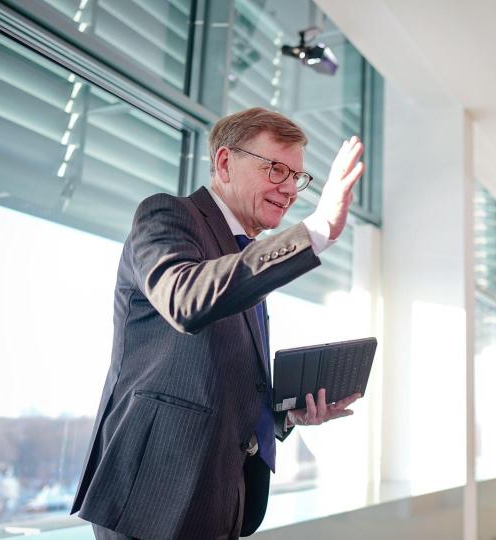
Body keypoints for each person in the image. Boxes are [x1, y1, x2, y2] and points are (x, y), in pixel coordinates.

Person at [71, 108, 366, 539]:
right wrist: (316, 230)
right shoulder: (165, 216)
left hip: (222, 496)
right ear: (225, 162)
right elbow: (185, 299)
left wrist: (283, 416)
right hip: (155, 499)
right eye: (277, 169)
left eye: (297, 178)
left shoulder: (242, 253)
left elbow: (223, 382)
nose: (289, 190)